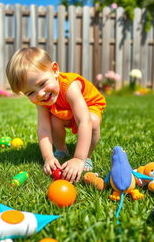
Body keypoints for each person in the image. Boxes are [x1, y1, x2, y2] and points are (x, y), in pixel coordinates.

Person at [6, 47, 106, 183]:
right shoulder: (42, 99)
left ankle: (86, 157)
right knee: (54, 120)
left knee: (93, 122)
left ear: (55, 70)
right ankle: (61, 150)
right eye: (30, 93)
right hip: (65, 110)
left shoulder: (70, 87)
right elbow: (44, 129)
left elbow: (84, 120)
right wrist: (48, 157)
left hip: (88, 107)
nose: (40, 94)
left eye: (42, 83)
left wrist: (78, 159)